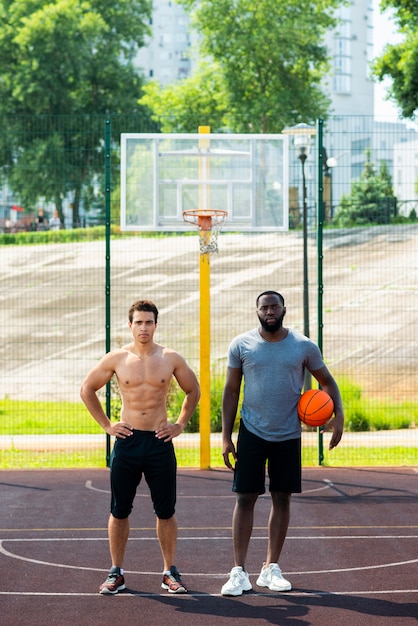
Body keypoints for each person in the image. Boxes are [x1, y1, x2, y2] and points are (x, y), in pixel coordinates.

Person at [221, 290, 344, 596]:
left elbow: (327, 382)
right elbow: (231, 390)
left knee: (282, 498)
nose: (270, 311)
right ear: (257, 311)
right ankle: (239, 572)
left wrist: (338, 416)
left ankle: (270, 568)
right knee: (245, 498)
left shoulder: (303, 346)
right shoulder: (241, 344)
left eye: (275, 306)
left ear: (284, 309)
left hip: (288, 433)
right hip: (251, 431)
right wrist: (225, 436)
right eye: (265, 307)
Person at [80, 299, 200, 595]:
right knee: (119, 510)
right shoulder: (117, 358)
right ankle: (116, 572)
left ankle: (169, 572)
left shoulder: (170, 357)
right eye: (138, 322)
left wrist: (180, 424)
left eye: (149, 322)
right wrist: (108, 426)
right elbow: (87, 389)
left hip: (159, 442)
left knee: (166, 511)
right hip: (128, 441)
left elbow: (193, 390)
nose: (143, 327)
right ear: (130, 325)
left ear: (155, 325)